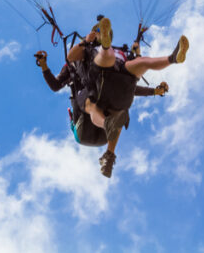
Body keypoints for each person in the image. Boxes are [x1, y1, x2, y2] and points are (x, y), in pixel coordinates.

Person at [67, 16, 188, 177]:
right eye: (97, 31)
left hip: (118, 87)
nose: (98, 32)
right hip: (97, 87)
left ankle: (174, 58)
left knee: (143, 62)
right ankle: (108, 137)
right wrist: (85, 41)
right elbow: (70, 57)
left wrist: (153, 89)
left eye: (102, 30)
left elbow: (133, 87)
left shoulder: (123, 53)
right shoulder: (88, 50)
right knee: (106, 58)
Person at [35, 48, 167, 147]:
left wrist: (154, 91)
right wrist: (44, 65)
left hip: (102, 135)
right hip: (84, 128)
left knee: (114, 90)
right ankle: (109, 127)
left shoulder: (101, 64)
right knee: (93, 94)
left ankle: (110, 139)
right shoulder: (73, 65)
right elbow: (55, 85)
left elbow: (129, 89)